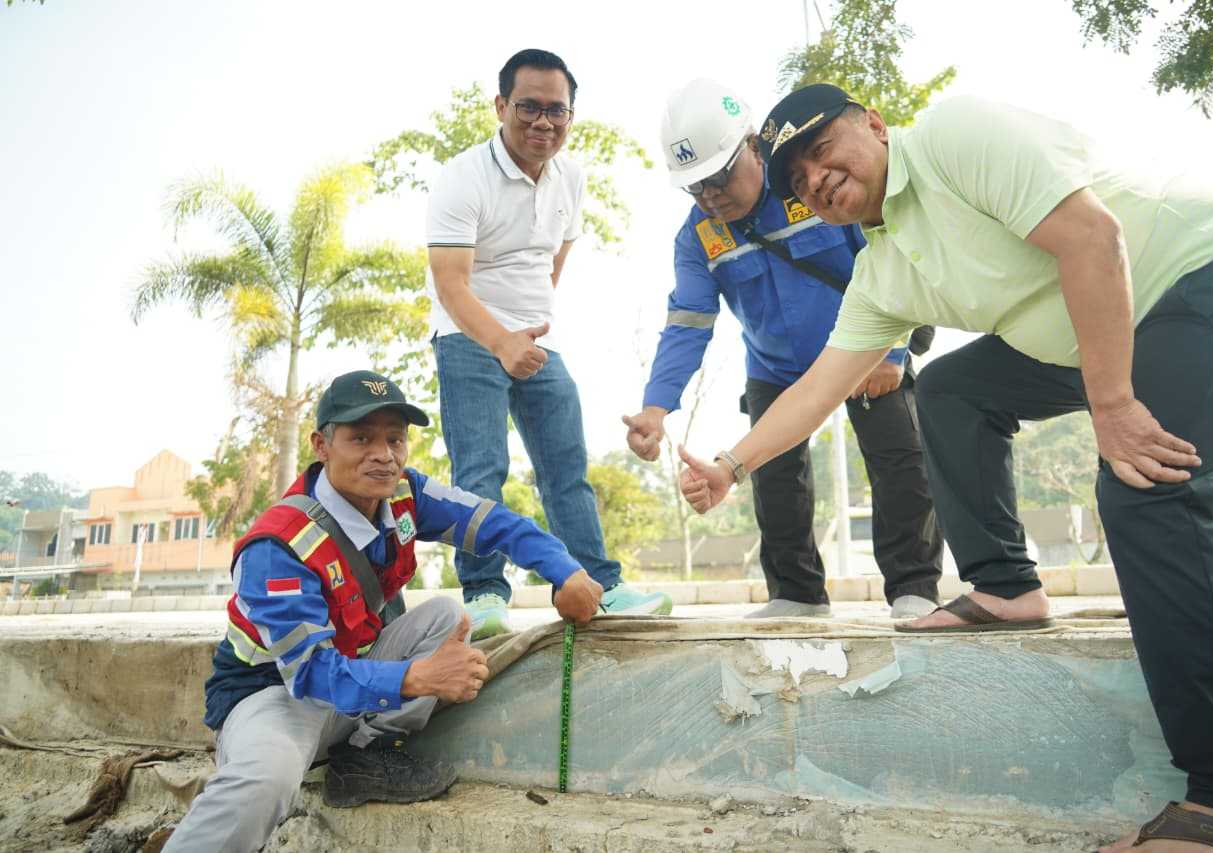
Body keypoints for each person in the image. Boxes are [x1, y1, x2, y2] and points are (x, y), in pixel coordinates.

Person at [677, 84, 1213, 851]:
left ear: (873, 123)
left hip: (1200, 279)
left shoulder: (958, 136)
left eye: (822, 150)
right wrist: (732, 464)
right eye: (795, 180)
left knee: (1143, 492)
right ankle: (1005, 586)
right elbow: (817, 389)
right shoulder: (885, 267)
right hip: (1090, 332)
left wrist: (1116, 404)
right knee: (955, 388)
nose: (815, 179)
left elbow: (1094, 239)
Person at [166, 369, 605, 852]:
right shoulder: (277, 545)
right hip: (274, 697)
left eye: (395, 439)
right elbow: (310, 675)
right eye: (361, 438)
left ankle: (363, 756)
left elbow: (491, 522)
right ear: (321, 445)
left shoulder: (403, 495)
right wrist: (418, 678)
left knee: (442, 617)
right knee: (264, 783)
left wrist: (566, 572)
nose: (383, 454)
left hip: (345, 691)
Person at [623, 79, 942, 619]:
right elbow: (688, 323)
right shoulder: (699, 237)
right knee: (773, 477)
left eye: (718, 178)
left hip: (863, 349)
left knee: (898, 458)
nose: (710, 197)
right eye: (694, 187)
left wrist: (891, 350)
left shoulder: (809, 188)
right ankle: (796, 595)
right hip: (775, 366)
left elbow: (887, 256)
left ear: (752, 145)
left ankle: (914, 588)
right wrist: (656, 406)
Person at [426, 48, 671, 640]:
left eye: (556, 111)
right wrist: (500, 340)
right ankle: (484, 595)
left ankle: (600, 585)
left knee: (566, 467)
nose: (542, 122)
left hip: (536, 341)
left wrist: (526, 332)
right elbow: (451, 283)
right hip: (468, 337)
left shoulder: (572, 177)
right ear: (501, 106)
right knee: (480, 471)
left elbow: (550, 266)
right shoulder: (463, 177)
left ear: (571, 115)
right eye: (528, 107)